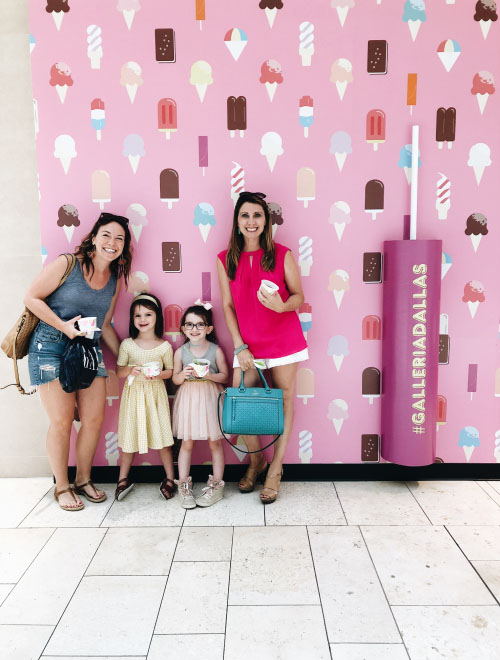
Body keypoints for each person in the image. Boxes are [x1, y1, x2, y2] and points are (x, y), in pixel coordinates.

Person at [25, 212, 132, 511]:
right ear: (94, 237)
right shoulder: (67, 264)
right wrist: (63, 326)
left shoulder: (114, 280)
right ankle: (62, 486)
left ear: (124, 247)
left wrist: (127, 354)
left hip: (88, 348)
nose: (112, 243)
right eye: (107, 235)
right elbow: (31, 298)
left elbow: (106, 324)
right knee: (60, 422)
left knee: (94, 419)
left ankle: (83, 479)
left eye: (119, 238)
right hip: (50, 346)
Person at [217, 192, 308, 504]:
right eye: (245, 215)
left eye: (257, 215)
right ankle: (256, 461)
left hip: (284, 340)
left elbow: (298, 296)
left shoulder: (283, 255)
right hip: (247, 346)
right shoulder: (224, 259)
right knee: (240, 404)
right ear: (237, 222)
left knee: (283, 401)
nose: (251, 221)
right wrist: (240, 346)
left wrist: (282, 306)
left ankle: (275, 469)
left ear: (266, 221)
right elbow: (227, 306)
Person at [115, 293, 175, 501]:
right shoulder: (127, 345)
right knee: (130, 436)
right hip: (133, 396)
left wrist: (160, 374)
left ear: (157, 317)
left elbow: (171, 371)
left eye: (148, 314)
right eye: (137, 315)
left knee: (163, 438)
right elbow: (119, 371)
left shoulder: (165, 346)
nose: (142, 319)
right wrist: (131, 369)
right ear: (132, 319)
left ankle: (170, 478)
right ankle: (123, 478)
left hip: (156, 396)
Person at [172, 304, 229, 508]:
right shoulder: (180, 352)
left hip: (209, 397)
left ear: (209, 328)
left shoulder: (215, 350)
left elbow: (225, 375)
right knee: (186, 442)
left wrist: (210, 375)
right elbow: (175, 378)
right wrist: (183, 375)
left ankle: (217, 486)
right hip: (188, 399)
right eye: (189, 324)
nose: (194, 329)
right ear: (183, 329)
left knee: (215, 442)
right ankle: (184, 486)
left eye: (199, 325)